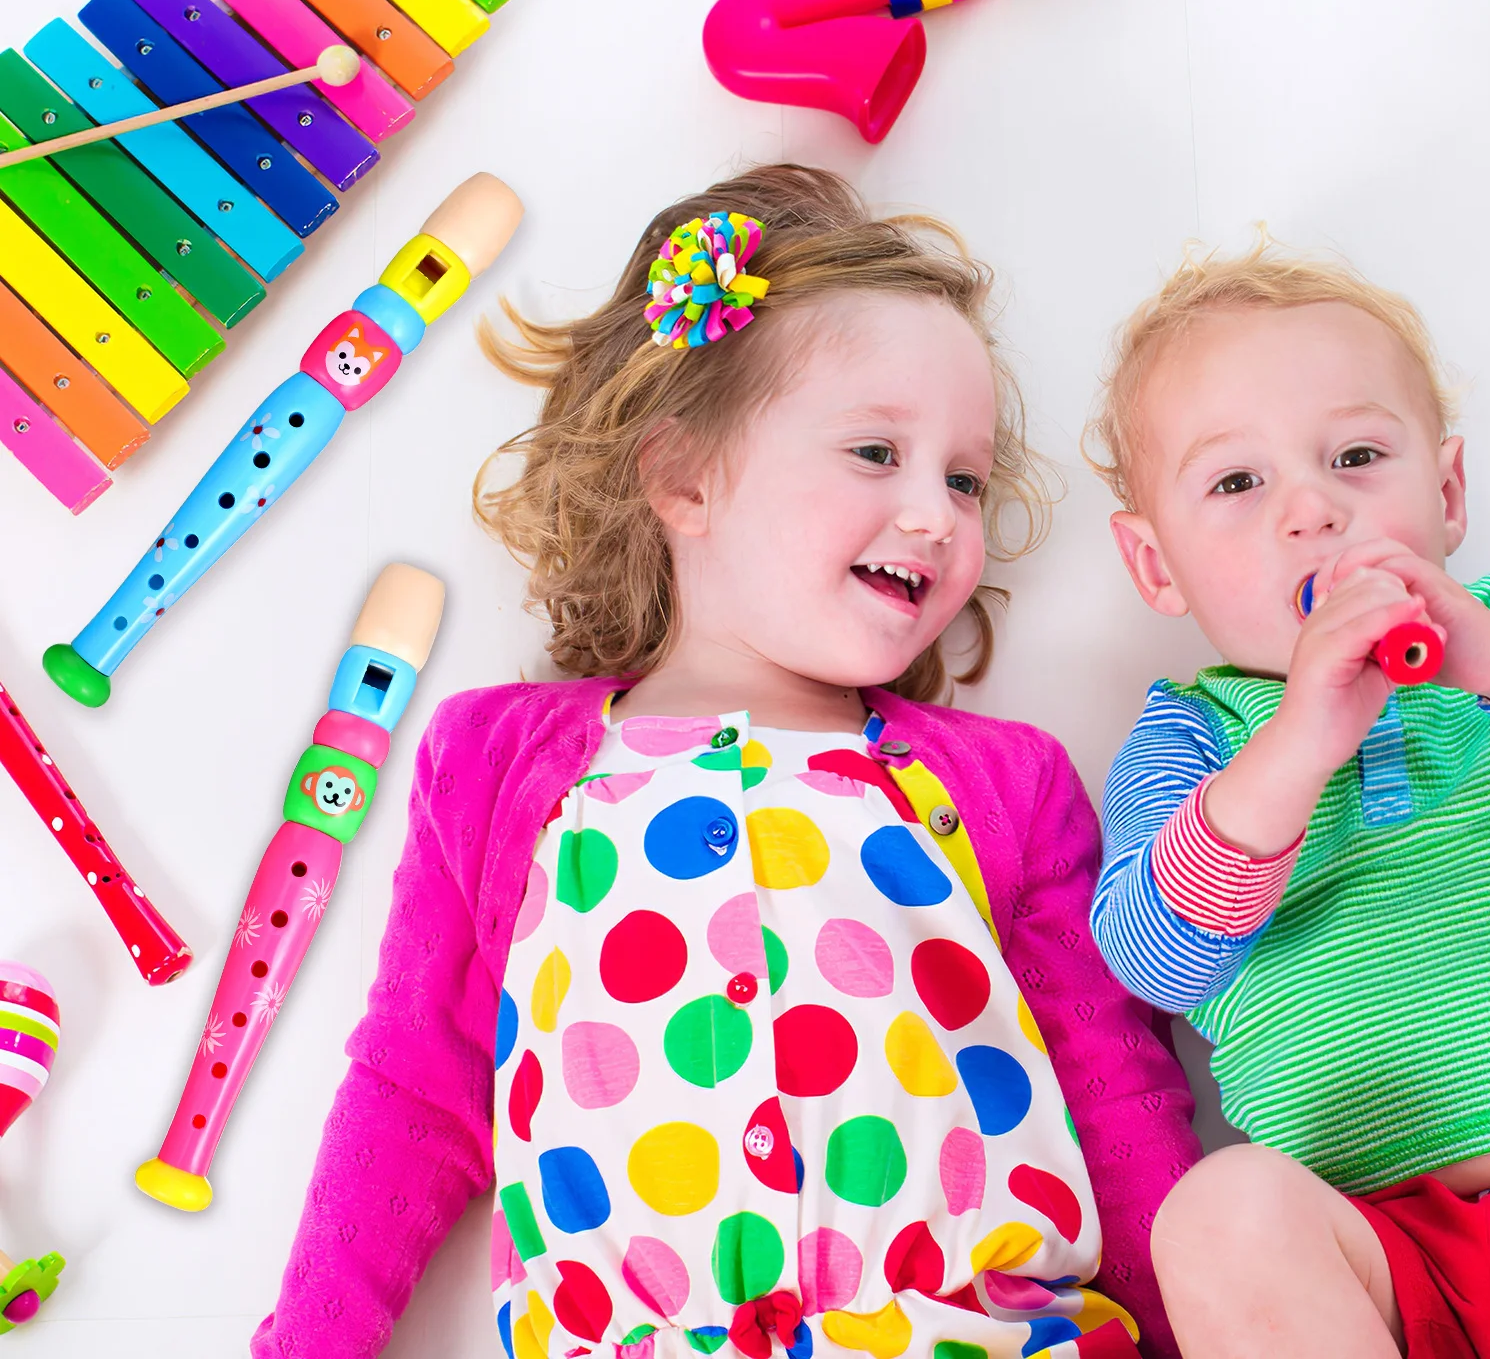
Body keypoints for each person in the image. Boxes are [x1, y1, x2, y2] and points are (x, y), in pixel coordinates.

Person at [251, 165, 1199, 1359]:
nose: (936, 515)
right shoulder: (494, 763)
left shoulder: (1007, 784)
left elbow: (1114, 1092)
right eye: (874, 452)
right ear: (682, 476)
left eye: (964, 477)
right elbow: (414, 1087)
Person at [1087, 242, 1490, 1359]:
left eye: (1357, 456)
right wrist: (1298, 743)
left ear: (1448, 492)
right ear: (1156, 568)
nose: (1311, 509)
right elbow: (1152, 961)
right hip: (1379, 1259)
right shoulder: (1192, 738)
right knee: (1218, 1215)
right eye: (1237, 482)